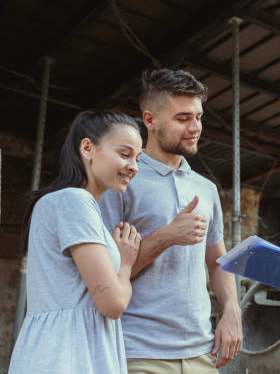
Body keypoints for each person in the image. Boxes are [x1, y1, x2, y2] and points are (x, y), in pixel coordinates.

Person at [98, 69, 242, 374]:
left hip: (202, 353)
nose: (195, 128)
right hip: (138, 352)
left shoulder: (205, 188)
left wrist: (231, 308)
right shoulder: (121, 181)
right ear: (150, 120)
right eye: (182, 118)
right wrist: (167, 236)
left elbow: (218, 261)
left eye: (199, 117)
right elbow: (103, 278)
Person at [9, 110, 143, 374]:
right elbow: (112, 304)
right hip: (66, 356)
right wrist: (125, 264)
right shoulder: (74, 201)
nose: (134, 167)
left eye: (138, 159)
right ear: (87, 148)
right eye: (125, 154)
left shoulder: (71, 204)